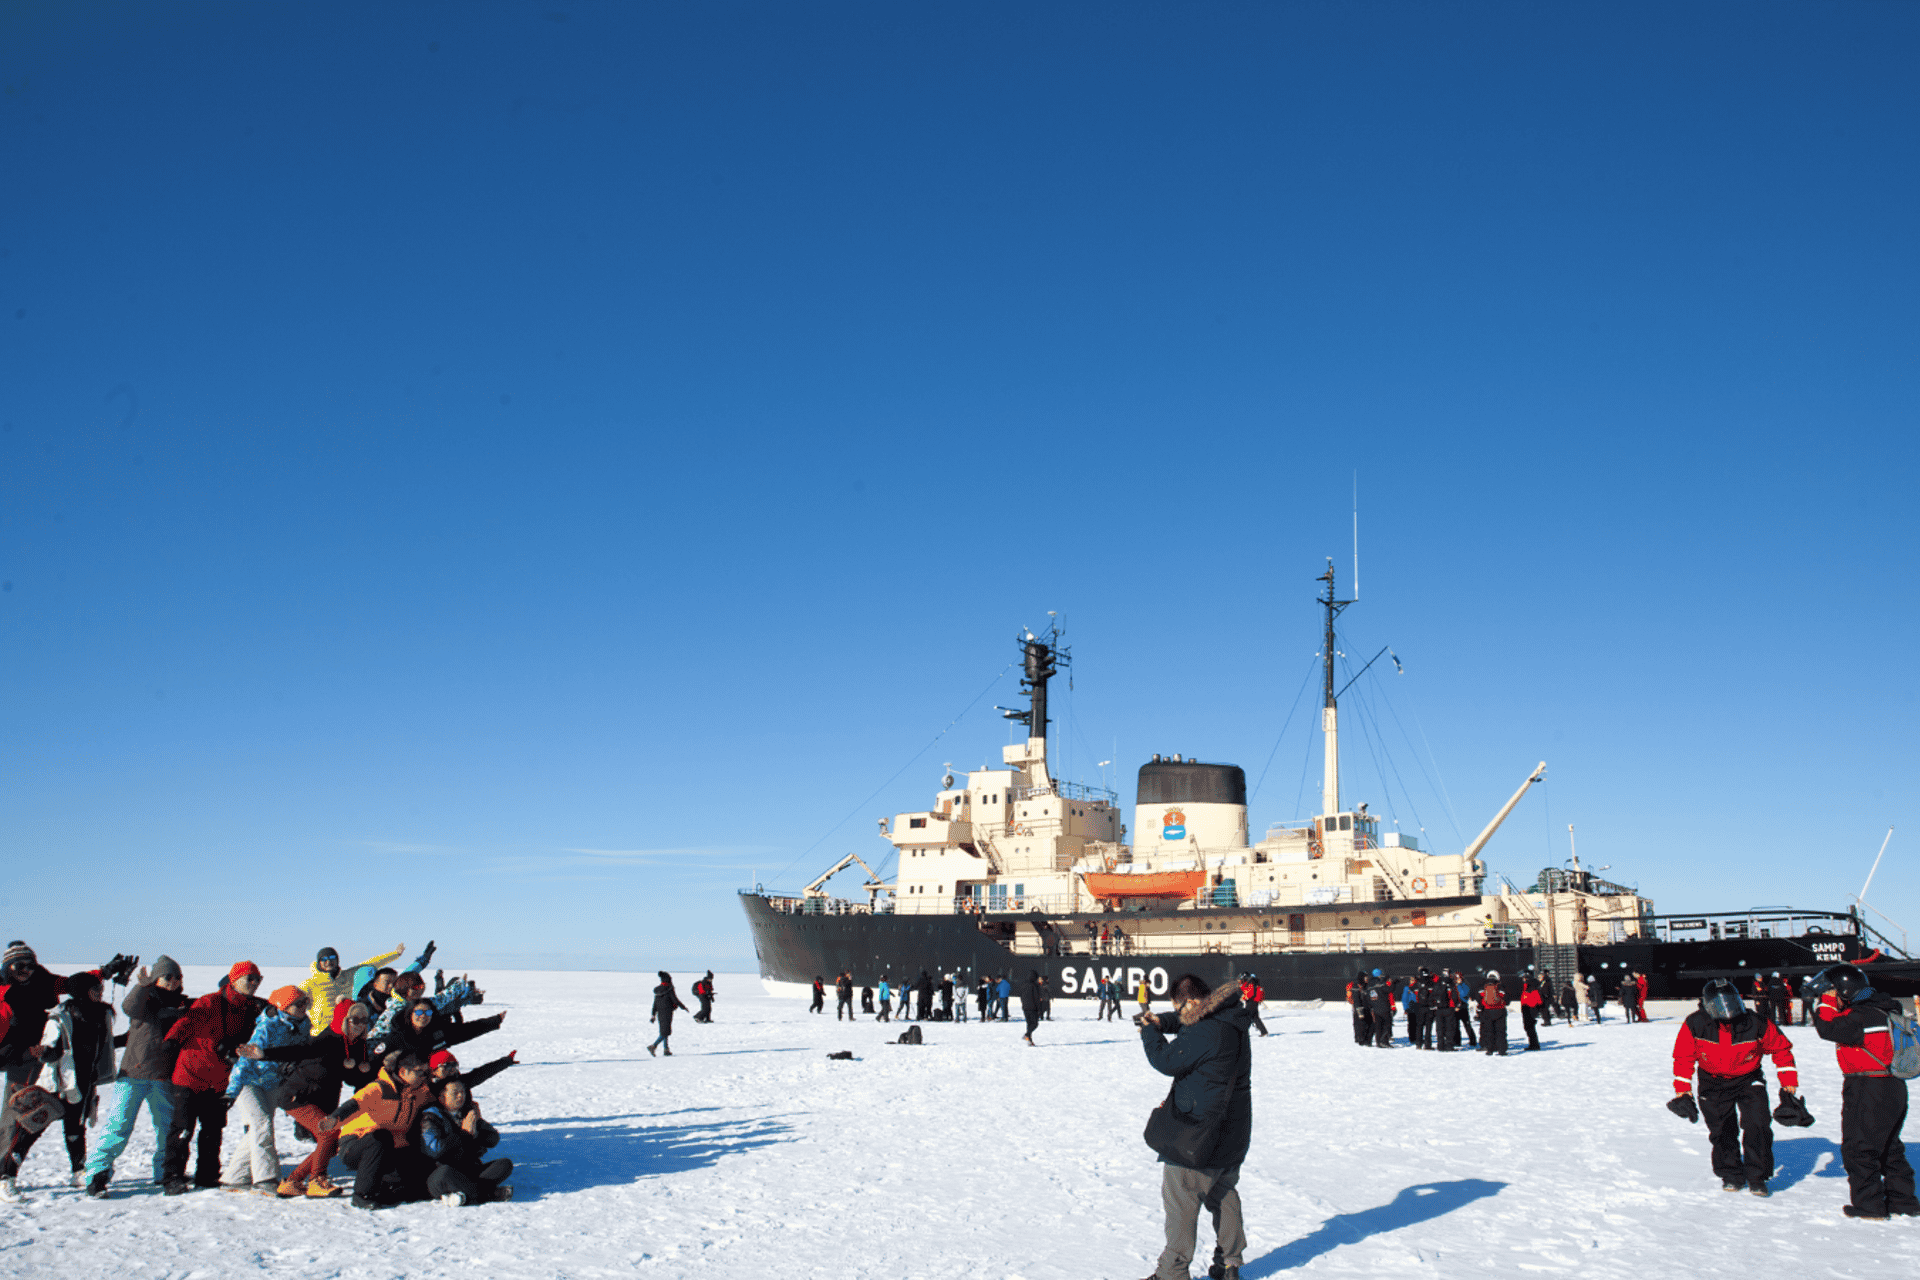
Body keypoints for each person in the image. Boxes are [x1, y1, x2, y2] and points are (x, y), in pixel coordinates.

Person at [1135, 974, 1254, 1280]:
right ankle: (1230, 1263)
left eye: (1178, 1007)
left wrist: (1149, 1032)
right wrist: (1163, 1021)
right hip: (1233, 1132)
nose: (1179, 1013)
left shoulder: (1207, 1031)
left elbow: (1167, 1061)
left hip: (1198, 1135)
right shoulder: (1230, 1018)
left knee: (1181, 1204)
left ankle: (1172, 1272)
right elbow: (1189, 1022)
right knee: (1223, 1195)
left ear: (1189, 1001)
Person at [1666, 978, 1803, 1196]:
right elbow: (1683, 1056)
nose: (1726, 1008)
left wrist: (1789, 1084)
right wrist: (1682, 1090)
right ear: (1708, 1004)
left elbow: (1781, 1050)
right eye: (1719, 1003)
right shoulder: (1696, 1023)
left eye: (1730, 1001)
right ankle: (1731, 1174)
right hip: (1712, 1081)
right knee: (1722, 1130)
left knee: (1758, 1125)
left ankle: (1757, 1177)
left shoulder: (1757, 1023)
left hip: (1748, 1079)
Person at [1811, 963, 1920, 1220]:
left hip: (1867, 1086)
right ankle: (1903, 1201)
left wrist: (1825, 1003)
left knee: (1859, 1148)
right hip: (1893, 1086)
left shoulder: (1861, 1017)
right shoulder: (1884, 1009)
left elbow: (1827, 1027)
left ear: (1845, 991)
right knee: (1889, 1146)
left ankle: (1869, 1206)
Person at [250, 997, 378, 1198]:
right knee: (328, 1135)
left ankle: (292, 1182)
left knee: (330, 1144)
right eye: (355, 1020)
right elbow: (299, 1050)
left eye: (364, 1020)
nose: (360, 1025)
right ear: (343, 1020)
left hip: (323, 1100)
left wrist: (366, 1070)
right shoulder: (327, 1039)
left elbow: (352, 1079)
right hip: (298, 1096)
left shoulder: (357, 1045)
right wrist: (263, 1054)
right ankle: (317, 1180)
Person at [82, 957, 187, 1198]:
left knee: (166, 1128)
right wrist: (141, 985)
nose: (173, 981)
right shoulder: (145, 1001)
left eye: (177, 977)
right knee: (119, 1125)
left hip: (163, 1077)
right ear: (156, 978)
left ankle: (164, 1173)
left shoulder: (182, 1005)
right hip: (134, 1075)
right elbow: (129, 1007)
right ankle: (97, 1174)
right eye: (167, 976)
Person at [161, 961, 266, 1194]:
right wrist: (172, 1041)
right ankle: (172, 1177)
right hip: (190, 1075)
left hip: (219, 1079)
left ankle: (207, 1175)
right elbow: (187, 1021)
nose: (254, 984)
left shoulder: (251, 1009)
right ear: (234, 979)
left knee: (213, 1129)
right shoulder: (211, 1001)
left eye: (257, 979)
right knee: (182, 1129)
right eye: (249, 978)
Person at [222, 985, 311, 1193]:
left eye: (306, 1002)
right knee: (262, 1124)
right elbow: (245, 1060)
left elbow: (300, 1052)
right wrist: (231, 1093)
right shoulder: (267, 1027)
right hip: (249, 1082)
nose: (304, 1007)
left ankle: (234, 1177)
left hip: (272, 1083)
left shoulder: (303, 1023)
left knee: (258, 1129)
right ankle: (266, 1179)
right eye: (299, 1004)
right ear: (284, 1006)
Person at [328, 1051, 434, 1208]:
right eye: (420, 1072)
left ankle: (388, 1187)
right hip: (355, 1144)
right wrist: (334, 1118)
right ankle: (362, 1195)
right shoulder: (380, 1088)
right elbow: (355, 1103)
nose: (424, 1076)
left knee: (415, 1175)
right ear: (403, 1071)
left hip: (392, 1146)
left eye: (427, 1072)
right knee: (380, 1138)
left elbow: (448, 1090)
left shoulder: (418, 1091)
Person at [419, 1077, 513, 1205]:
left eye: (462, 1092)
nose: (460, 1096)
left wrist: (478, 1123)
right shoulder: (430, 1117)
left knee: (505, 1164)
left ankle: (464, 1196)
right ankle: (489, 1194)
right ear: (442, 1097)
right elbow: (435, 1150)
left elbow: (493, 1139)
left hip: (469, 1171)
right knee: (445, 1172)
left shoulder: (466, 1113)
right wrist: (464, 1134)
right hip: (441, 1173)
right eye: (455, 1093)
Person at [300, 944, 404, 1037]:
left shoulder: (346, 976)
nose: (329, 962)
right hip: (321, 1032)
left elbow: (370, 964)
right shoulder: (310, 984)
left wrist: (395, 954)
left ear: (337, 960)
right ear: (319, 962)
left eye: (332, 958)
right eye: (324, 959)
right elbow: (294, 1002)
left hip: (346, 1031)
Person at [648, 972, 687, 1057]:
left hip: (660, 1013)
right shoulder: (669, 989)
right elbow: (675, 1000)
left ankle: (666, 1049)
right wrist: (683, 1007)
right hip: (667, 1012)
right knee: (666, 1032)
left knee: (664, 1030)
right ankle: (653, 1046)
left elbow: (655, 1004)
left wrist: (653, 1014)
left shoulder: (658, 990)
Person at [1477, 971, 1509, 1056]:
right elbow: (1507, 1000)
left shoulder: (1483, 986)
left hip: (1487, 1011)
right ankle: (1502, 1050)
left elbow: (1479, 998)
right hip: (1500, 1011)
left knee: (1489, 1031)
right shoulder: (1501, 986)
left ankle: (1489, 1049)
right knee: (1501, 1031)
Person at [1365, 970, 1393, 1048]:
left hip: (1375, 1008)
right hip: (1384, 1007)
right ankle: (1384, 1041)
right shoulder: (1381, 984)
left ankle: (1378, 1042)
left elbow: (1368, 997)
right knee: (1386, 1025)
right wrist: (1394, 983)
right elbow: (1389, 989)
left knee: (1378, 1026)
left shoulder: (1369, 985)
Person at [1519, 970, 1545, 1051]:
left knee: (1529, 1027)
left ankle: (1534, 1045)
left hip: (1529, 1007)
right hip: (1530, 1007)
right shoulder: (1533, 984)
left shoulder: (1530, 985)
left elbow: (1535, 998)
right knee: (1529, 1027)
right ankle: (1533, 1044)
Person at [1346, 971, 1371, 1046]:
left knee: (1364, 1023)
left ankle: (1361, 1037)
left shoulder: (1366, 985)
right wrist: (1359, 1011)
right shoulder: (1357, 986)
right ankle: (1360, 1038)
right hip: (1359, 1008)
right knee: (1359, 1023)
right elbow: (1356, 999)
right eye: (1366, 977)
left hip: (1365, 1007)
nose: (1367, 978)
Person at [1019, 971, 1042, 1046]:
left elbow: (1021, 996)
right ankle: (1027, 1035)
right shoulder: (1034, 985)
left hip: (1025, 1007)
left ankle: (1029, 1041)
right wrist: (1039, 1009)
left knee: (1029, 1024)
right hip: (1033, 1007)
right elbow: (1036, 998)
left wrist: (1023, 1004)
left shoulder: (1023, 985)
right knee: (1035, 1024)